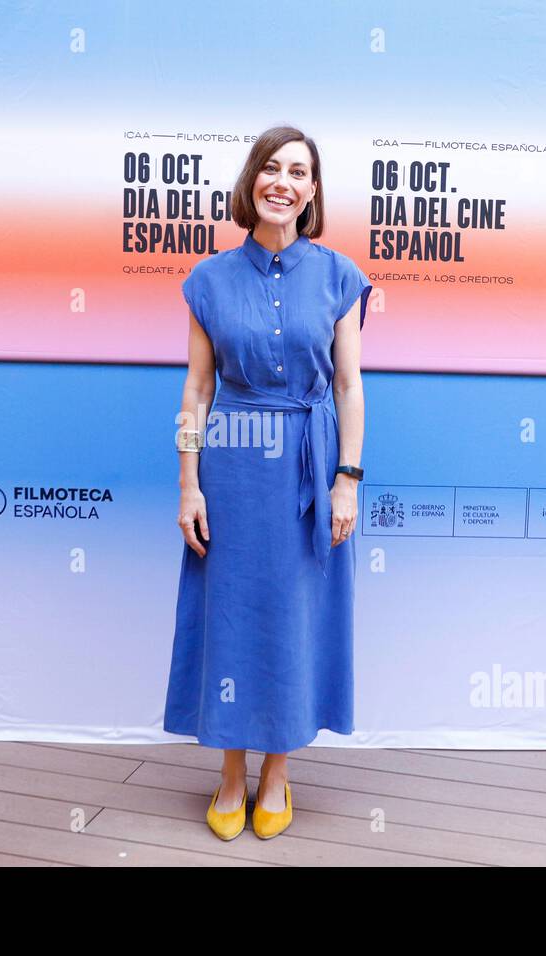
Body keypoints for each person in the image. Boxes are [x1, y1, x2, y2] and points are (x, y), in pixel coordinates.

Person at [163, 126, 373, 840]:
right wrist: (189, 485)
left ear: (313, 192)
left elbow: (348, 385)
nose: (284, 182)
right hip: (231, 461)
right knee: (230, 609)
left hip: (309, 465)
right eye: (273, 168)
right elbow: (195, 391)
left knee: (292, 612)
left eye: (300, 172)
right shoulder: (209, 280)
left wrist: (347, 478)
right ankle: (229, 772)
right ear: (253, 179)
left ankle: (278, 772)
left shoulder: (339, 275)